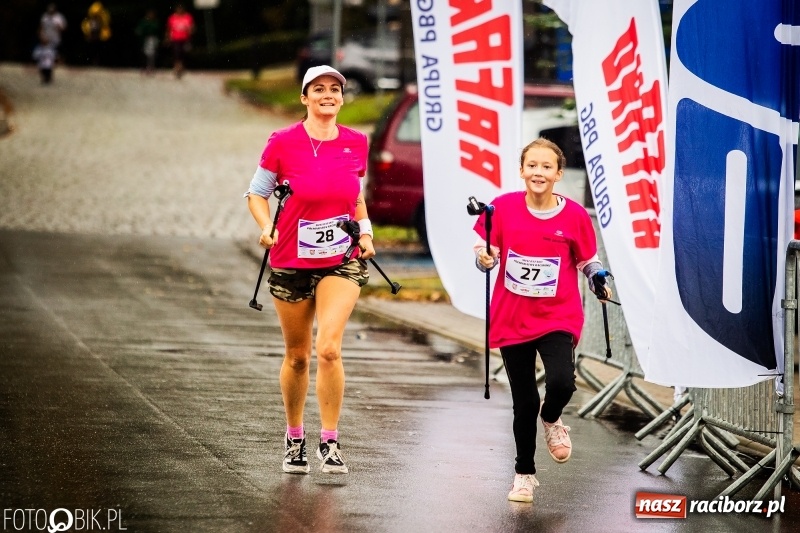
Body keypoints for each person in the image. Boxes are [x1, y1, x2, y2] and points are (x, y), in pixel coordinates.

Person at [244, 65, 374, 475]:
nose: (328, 95)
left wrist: (366, 235)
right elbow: (256, 193)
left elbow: (355, 199)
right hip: (290, 260)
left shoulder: (357, 143)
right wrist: (266, 226)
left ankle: (330, 442)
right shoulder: (282, 142)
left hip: (342, 258)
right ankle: (295, 436)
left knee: (329, 348)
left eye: (334, 89)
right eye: (318, 89)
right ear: (304, 97)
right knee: (298, 356)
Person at [472, 138, 612, 504]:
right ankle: (524, 475)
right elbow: (485, 250)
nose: (538, 172)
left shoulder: (575, 216)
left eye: (546, 166)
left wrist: (598, 276)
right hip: (513, 316)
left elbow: (586, 259)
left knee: (562, 383)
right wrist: (484, 258)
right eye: (531, 165)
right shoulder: (500, 208)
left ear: (558, 174)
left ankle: (552, 420)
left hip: (557, 315)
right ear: (522, 171)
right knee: (523, 400)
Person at [164, 4, 194, 79]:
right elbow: (169, 28)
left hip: (185, 39)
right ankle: (177, 67)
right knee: (177, 53)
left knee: (183, 53)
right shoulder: (172, 18)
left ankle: (181, 67)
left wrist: (191, 32)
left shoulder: (187, 17)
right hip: (175, 38)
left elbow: (191, 27)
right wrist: (167, 38)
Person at [81, 1, 111, 66]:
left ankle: (97, 62)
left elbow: (104, 26)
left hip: (97, 37)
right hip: (92, 36)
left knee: (98, 50)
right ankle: (91, 62)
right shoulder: (91, 20)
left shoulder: (101, 20)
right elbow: (87, 28)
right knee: (92, 50)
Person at [135, 9, 160, 75]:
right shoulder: (143, 22)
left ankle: (151, 67)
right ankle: (143, 67)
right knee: (144, 54)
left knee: (152, 54)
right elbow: (139, 30)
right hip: (144, 40)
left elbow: (156, 31)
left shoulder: (155, 22)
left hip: (152, 39)